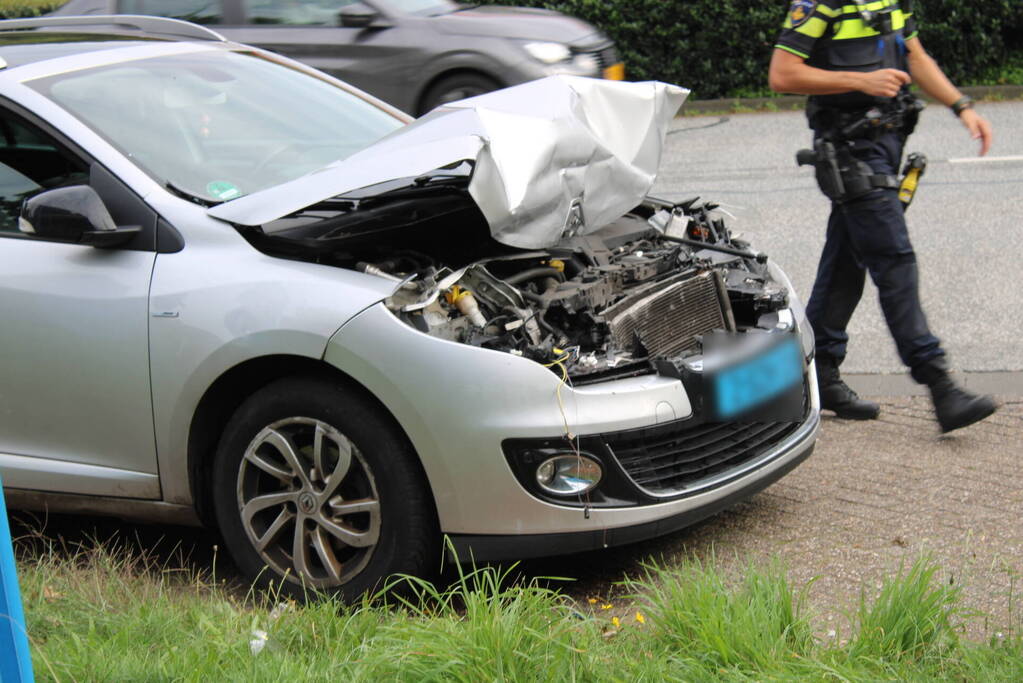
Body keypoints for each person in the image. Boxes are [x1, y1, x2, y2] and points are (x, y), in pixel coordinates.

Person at [767, 0, 997, 433]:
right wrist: (860, 79)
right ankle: (939, 383)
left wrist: (962, 106)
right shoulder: (820, 6)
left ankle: (820, 370)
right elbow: (782, 74)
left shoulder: (891, 2)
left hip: (885, 145)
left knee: (847, 262)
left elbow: (915, 55)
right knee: (894, 260)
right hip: (850, 150)